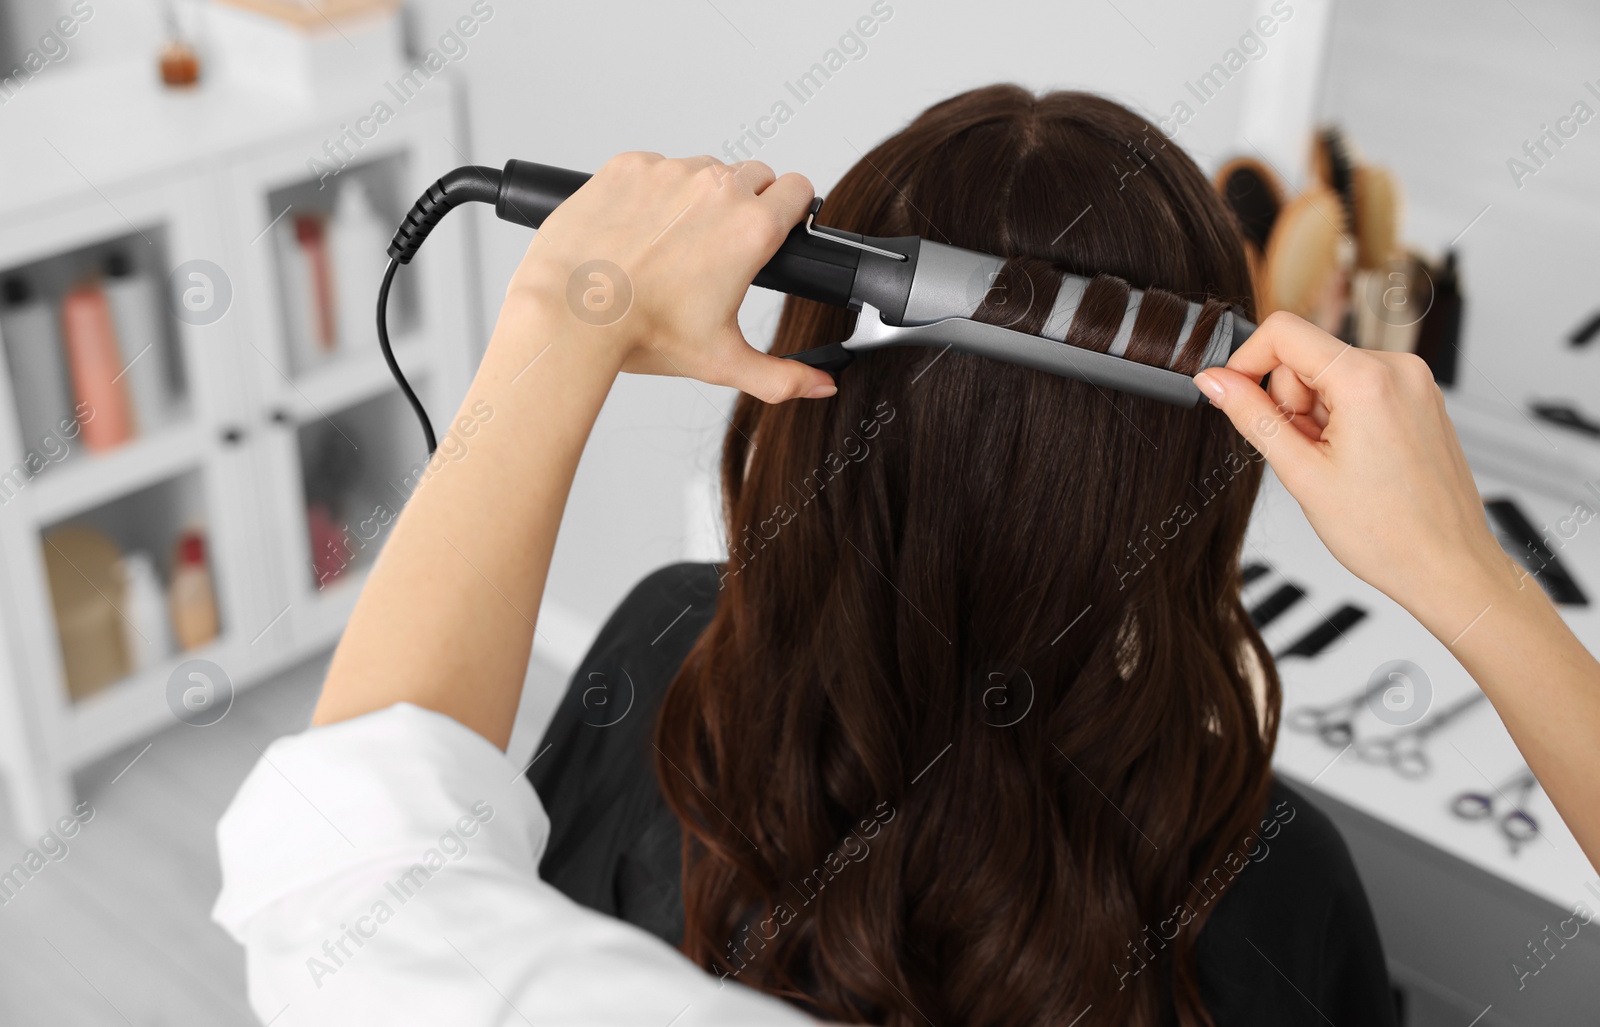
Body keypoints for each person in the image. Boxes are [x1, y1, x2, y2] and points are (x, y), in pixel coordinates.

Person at [213, 88, 1600, 1027]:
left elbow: (352, 861)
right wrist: (1472, 579)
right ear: (1194, 477)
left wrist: (562, 320)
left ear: (813, 395)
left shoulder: (654, 648)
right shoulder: (1285, 881)